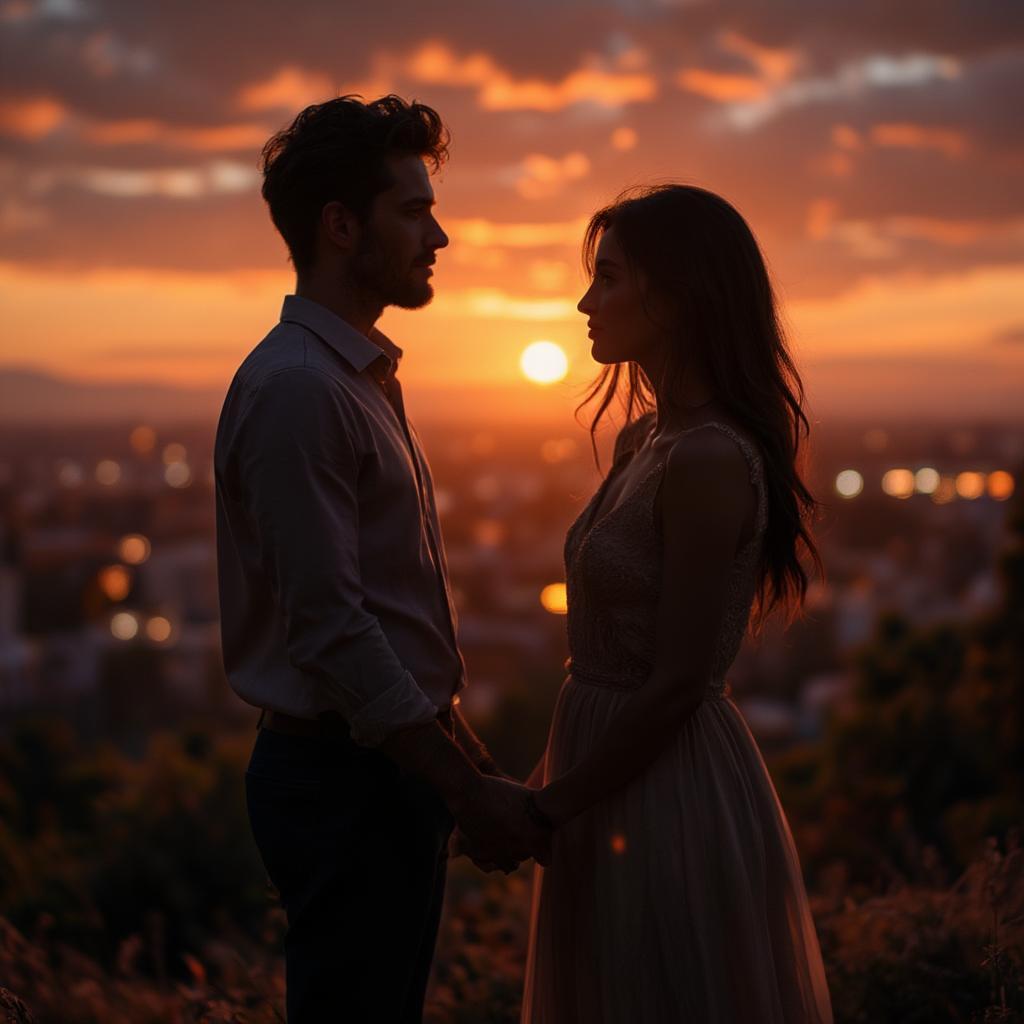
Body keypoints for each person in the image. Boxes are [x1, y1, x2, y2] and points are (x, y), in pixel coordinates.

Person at [213, 94, 551, 1024]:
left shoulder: (351, 381)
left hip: (378, 773)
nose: (437, 236)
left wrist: (469, 769)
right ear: (339, 225)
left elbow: (390, 619)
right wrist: (467, 792)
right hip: (343, 783)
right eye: (412, 211)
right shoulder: (302, 393)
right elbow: (329, 629)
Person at [517, 184, 835, 1022]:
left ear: (677, 296)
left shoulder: (708, 459)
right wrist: (542, 785)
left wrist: (548, 806)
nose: (586, 302)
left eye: (610, 279)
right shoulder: (642, 441)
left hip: (666, 787)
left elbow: (675, 682)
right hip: (605, 770)